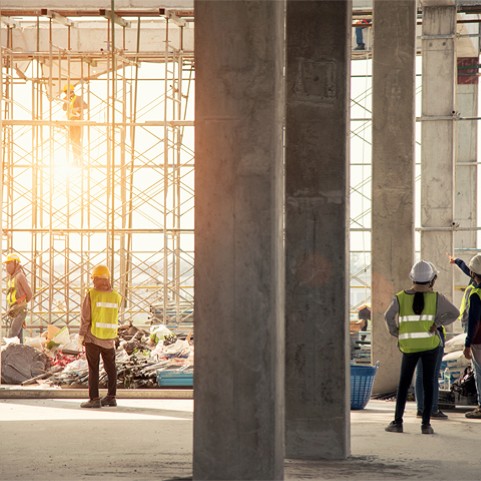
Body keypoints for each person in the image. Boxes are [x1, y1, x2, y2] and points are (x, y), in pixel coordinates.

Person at [384, 260, 459, 434]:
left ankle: (397, 422)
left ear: (412, 277)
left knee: (403, 384)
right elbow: (455, 313)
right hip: (430, 345)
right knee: (429, 381)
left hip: (409, 347)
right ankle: (426, 425)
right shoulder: (437, 298)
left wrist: (397, 332)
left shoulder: (400, 297)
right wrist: (437, 323)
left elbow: (388, 317)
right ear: (432, 279)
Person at [79, 264, 122, 408]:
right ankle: (111, 397)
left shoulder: (92, 294)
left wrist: (81, 335)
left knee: (93, 368)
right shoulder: (116, 296)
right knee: (111, 368)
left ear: (96, 279)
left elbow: (86, 317)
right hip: (109, 338)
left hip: (93, 337)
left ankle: (94, 399)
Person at [462, 254, 481, 419]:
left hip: (479, 340)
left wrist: (467, 344)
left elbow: (473, 322)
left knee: (479, 373)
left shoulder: (476, 294)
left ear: (474, 274)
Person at [3, 253, 33, 343]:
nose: (7, 266)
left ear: (16, 263)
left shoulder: (20, 276)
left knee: (12, 335)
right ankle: (20, 354)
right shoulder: (10, 278)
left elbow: (29, 294)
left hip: (20, 310)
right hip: (13, 310)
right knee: (18, 338)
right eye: (6, 264)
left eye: (9, 263)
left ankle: (9, 355)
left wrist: (22, 303)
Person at [62, 83, 88, 164]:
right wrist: (66, 100)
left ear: (72, 91)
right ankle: (75, 158)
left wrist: (78, 108)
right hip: (70, 122)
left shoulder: (78, 98)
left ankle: (79, 158)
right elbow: (64, 108)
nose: (67, 94)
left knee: (76, 140)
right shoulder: (67, 99)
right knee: (73, 141)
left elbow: (86, 106)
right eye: (66, 93)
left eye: (68, 92)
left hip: (77, 121)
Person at [449, 254, 473, 333]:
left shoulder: (475, 281)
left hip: (470, 319)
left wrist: (456, 260)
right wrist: (456, 260)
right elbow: (465, 268)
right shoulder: (475, 276)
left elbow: (465, 268)